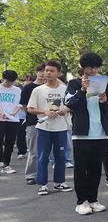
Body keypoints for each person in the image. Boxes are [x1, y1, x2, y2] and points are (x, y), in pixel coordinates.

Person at [65, 53, 108, 215]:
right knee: (81, 168)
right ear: (83, 67)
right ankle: (81, 201)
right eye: (91, 67)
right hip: (82, 133)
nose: (93, 70)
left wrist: (104, 102)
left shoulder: (102, 84)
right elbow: (69, 103)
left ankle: (93, 199)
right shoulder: (74, 84)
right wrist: (82, 90)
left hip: (100, 132)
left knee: (96, 168)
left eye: (96, 67)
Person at [26, 61, 72, 195]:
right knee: (42, 157)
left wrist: (66, 109)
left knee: (60, 157)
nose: (48, 73)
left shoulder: (65, 89)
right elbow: (30, 108)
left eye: (51, 71)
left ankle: (59, 182)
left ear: (58, 73)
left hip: (61, 127)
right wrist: (45, 112)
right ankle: (42, 184)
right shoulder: (38, 90)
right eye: (46, 70)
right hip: (44, 127)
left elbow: (72, 104)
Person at [20, 64, 45, 184]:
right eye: (41, 71)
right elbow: (24, 105)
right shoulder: (28, 87)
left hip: (48, 121)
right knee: (33, 150)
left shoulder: (49, 87)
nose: (43, 73)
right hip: (33, 121)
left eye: (46, 71)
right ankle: (31, 175)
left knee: (47, 152)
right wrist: (28, 116)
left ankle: (43, 175)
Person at [0, 70, 22, 174]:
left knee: (10, 143)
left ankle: (6, 164)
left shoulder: (17, 90)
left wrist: (14, 113)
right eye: (8, 81)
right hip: (1, 119)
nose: (10, 84)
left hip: (13, 119)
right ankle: (1, 162)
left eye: (12, 82)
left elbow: (19, 104)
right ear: (3, 79)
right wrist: (1, 113)